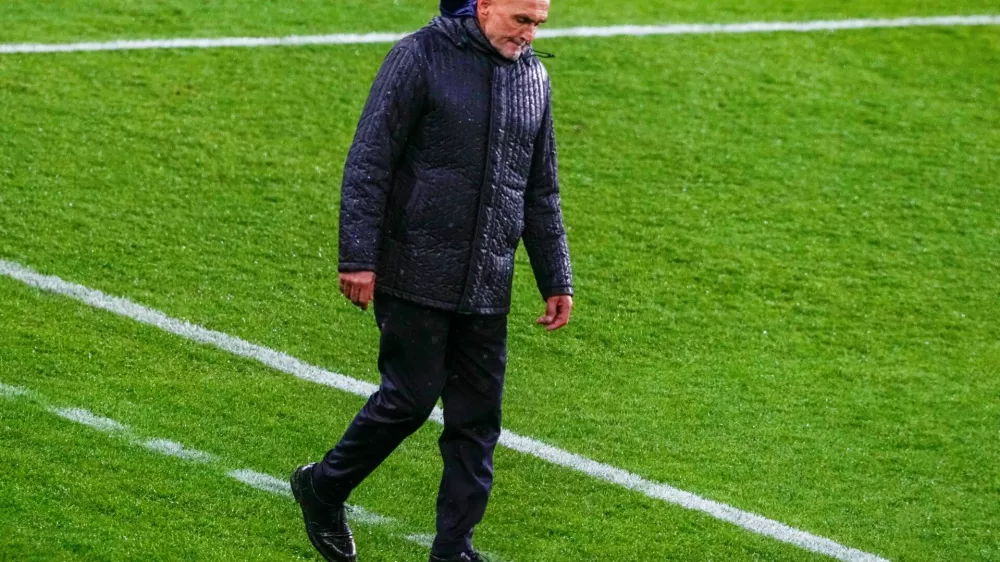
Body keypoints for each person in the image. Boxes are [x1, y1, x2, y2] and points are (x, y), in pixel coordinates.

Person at [290, 0, 573, 560]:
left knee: (476, 423)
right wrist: (357, 257)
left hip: (489, 280)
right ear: (485, 6)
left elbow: (540, 190)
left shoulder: (534, 77)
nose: (530, 34)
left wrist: (555, 275)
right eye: (521, 20)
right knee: (408, 401)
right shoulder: (419, 57)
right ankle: (323, 487)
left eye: (539, 23)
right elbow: (370, 160)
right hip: (414, 266)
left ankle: (453, 549)